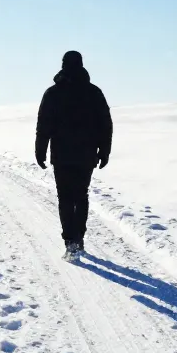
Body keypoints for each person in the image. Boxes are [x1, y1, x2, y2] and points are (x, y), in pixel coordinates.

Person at [35, 50, 113, 260]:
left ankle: (71, 241)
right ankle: (78, 238)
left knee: (66, 198)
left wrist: (40, 150)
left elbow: (44, 125)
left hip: (62, 155)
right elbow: (106, 125)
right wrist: (104, 151)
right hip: (86, 155)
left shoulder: (53, 93)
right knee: (81, 195)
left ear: (63, 65)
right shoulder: (93, 92)